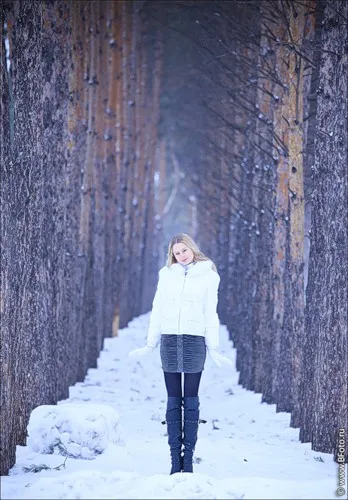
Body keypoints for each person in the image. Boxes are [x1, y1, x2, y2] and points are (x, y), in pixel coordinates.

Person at [129, 233, 232, 474]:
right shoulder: (166, 276)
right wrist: (150, 342)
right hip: (170, 341)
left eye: (184, 250)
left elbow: (210, 312)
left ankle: (189, 458)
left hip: (194, 341)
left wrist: (213, 346)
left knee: (191, 399)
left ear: (192, 249)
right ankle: (176, 460)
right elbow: (157, 309)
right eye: (176, 253)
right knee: (173, 399)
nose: (181, 255)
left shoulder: (209, 275)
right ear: (172, 256)